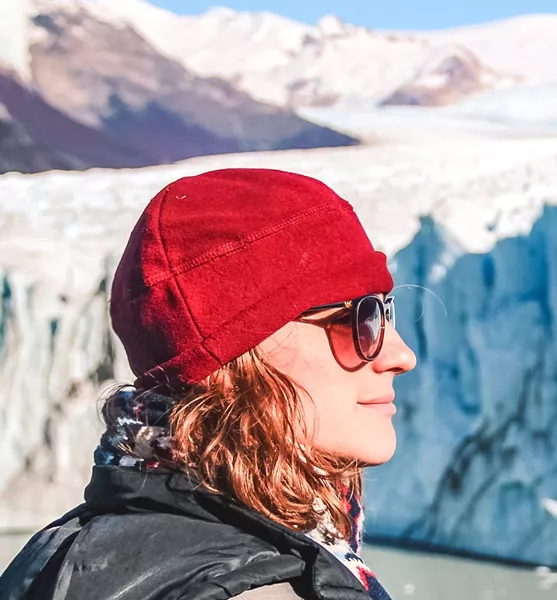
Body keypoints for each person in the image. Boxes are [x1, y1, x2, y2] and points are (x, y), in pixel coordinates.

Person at [0, 168, 417, 600]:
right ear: (242, 349)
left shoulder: (53, 556)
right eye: (361, 318)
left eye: (387, 312)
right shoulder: (258, 588)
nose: (402, 355)